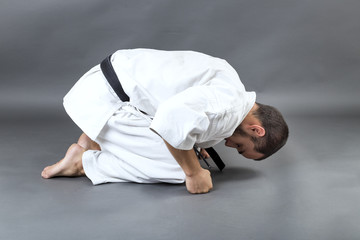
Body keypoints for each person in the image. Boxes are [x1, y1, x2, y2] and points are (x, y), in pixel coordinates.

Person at [41, 48, 288, 194]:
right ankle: (83, 163)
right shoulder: (227, 107)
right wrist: (192, 173)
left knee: (183, 148)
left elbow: (175, 103)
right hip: (104, 99)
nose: (230, 147)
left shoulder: (232, 87)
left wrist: (192, 145)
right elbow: (171, 116)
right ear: (256, 129)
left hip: (104, 85)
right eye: (241, 146)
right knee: (175, 169)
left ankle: (94, 140)